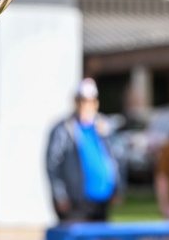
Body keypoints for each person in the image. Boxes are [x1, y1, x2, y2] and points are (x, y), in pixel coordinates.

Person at [45, 78, 123, 223]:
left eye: (88, 101)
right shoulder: (63, 129)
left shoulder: (103, 127)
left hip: (101, 201)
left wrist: (117, 188)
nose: (84, 106)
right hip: (75, 202)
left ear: (95, 104)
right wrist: (60, 195)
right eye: (81, 101)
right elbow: (52, 165)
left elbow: (116, 158)